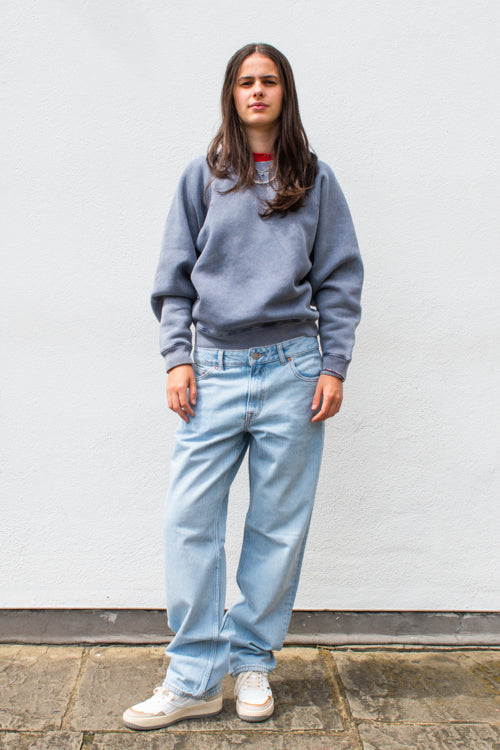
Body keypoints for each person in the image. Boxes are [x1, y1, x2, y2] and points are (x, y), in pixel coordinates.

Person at [123, 42, 364, 731]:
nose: (257, 91)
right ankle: (194, 677)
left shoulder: (315, 179)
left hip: (294, 371)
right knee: (189, 519)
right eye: (245, 81)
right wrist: (178, 358)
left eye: (269, 81)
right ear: (231, 94)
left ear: (285, 93)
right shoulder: (203, 178)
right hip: (216, 371)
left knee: (277, 525)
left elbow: (339, 278)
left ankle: (253, 659)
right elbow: (174, 278)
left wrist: (333, 365)